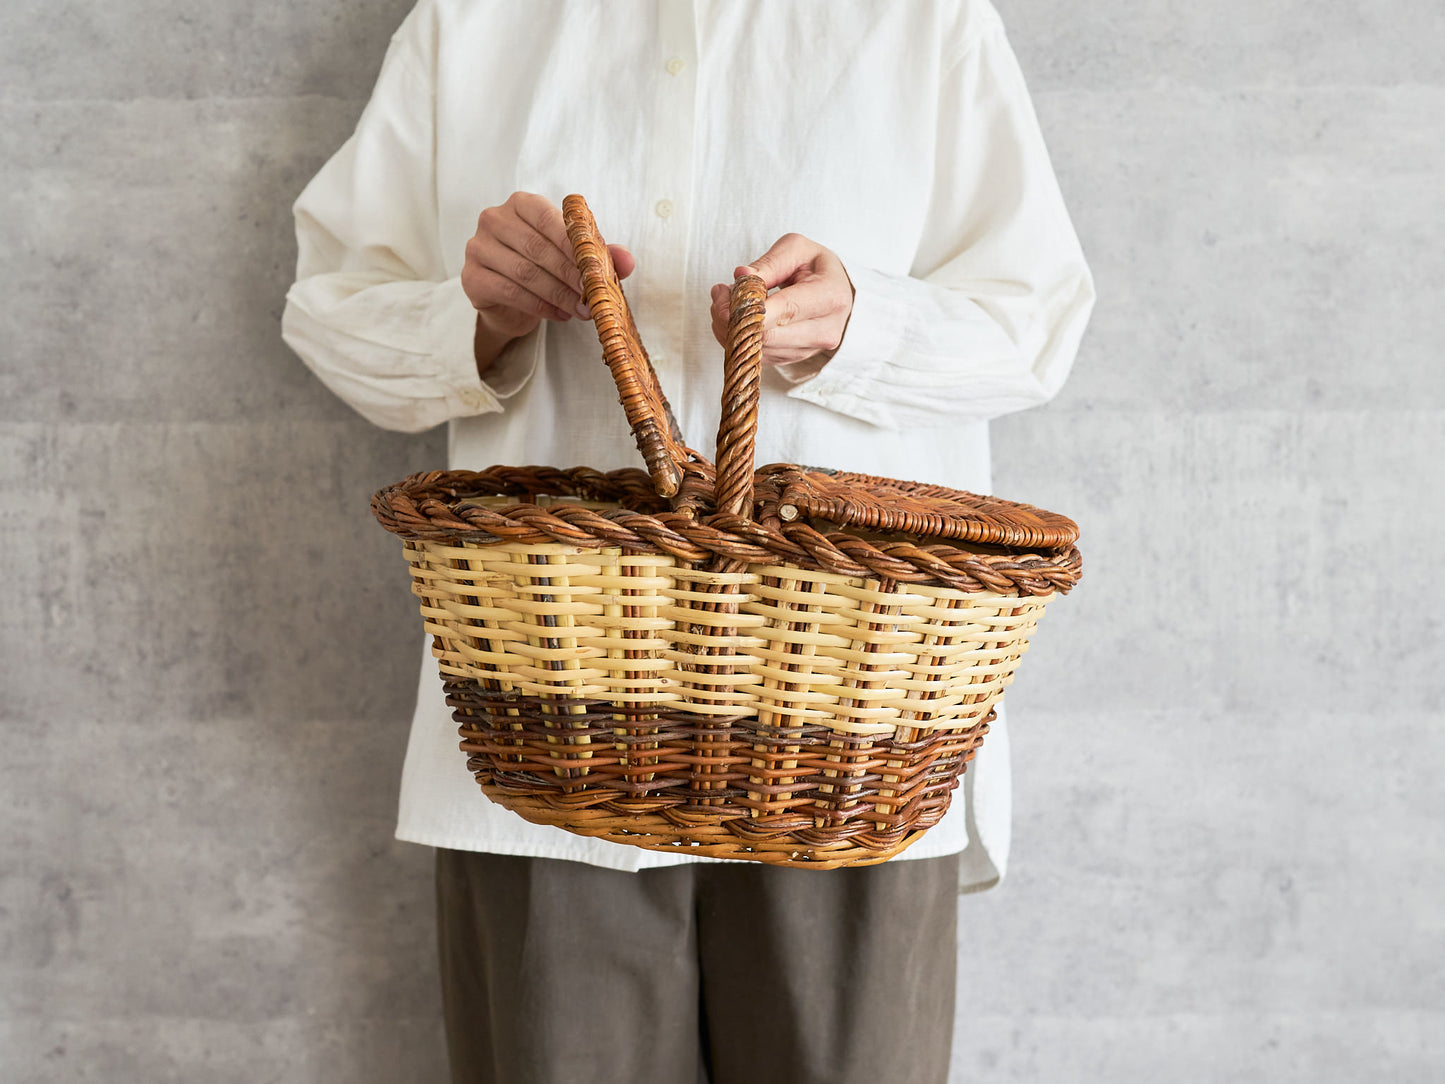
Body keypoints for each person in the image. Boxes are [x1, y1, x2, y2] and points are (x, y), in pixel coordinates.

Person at [283, 2, 1093, 1081]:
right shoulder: (473, 22)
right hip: (546, 745)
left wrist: (863, 324)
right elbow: (330, 309)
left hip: (848, 743)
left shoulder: (920, 21)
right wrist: (476, 314)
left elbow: (1039, 322)